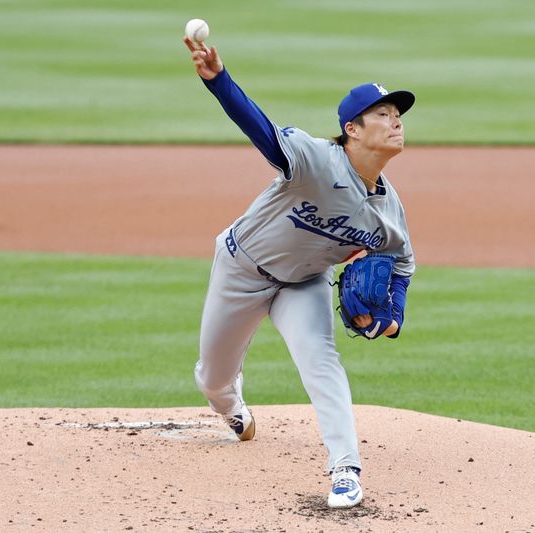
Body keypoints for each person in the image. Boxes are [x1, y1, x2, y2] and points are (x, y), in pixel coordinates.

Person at [183, 36, 416, 509]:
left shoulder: (389, 212)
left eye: (398, 114)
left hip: (302, 284)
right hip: (241, 269)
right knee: (212, 378)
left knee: (321, 360)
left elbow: (403, 266)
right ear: (352, 128)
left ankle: (345, 468)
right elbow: (261, 130)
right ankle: (231, 407)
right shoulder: (315, 159)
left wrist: (390, 320)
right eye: (383, 114)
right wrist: (219, 81)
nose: (395, 121)